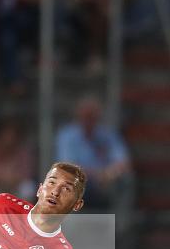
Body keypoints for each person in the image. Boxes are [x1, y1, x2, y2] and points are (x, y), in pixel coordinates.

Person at [55, 96, 133, 233]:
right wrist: (97, 175)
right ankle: (69, 231)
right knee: (66, 180)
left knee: (126, 180)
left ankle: (120, 230)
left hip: (106, 183)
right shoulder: (67, 136)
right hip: (80, 183)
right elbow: (67, 166)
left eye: (92, 116)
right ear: (78, 115)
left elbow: (123, 163)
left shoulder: (107, 135)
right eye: (86, 115)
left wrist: (110, 174)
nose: (89, 119)